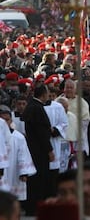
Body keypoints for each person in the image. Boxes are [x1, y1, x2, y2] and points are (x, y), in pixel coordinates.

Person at [21, 85, 55, 215]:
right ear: (43, 94)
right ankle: (36, 208)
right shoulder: (37, 108)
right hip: (39, 151)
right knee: (39, 179)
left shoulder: (32, 106)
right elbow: (41, 133)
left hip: (33, 149)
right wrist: (49, 150)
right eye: (47, 93)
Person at [0, 106, 36, 201]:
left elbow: (23, 155)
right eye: (2, 120)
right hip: (2, 171)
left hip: (14, 171)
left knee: (13, 198)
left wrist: (24, 172)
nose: (4, 123)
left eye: (7, 120)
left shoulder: (18, 137)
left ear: (11, 121)